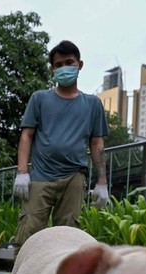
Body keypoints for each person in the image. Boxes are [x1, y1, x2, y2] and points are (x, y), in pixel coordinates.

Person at [12, 40, 109, 248]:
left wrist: (102, 182)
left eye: (69, 62)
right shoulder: (39, 99)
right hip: (40, 176)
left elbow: (97, 143)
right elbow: (26, 135)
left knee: (68, 238)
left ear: (79, 65)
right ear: (52, 69)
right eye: (58, 65)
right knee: (28, 233)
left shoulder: (92, 104)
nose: (64, 68)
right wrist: (22, 172)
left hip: (74, 176)